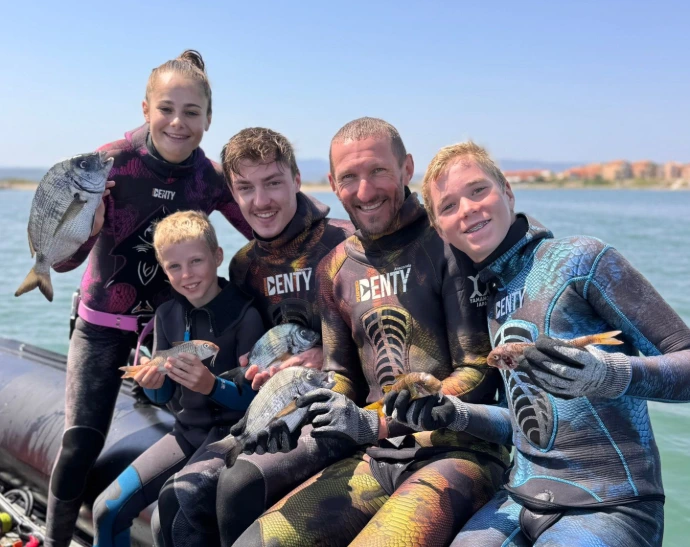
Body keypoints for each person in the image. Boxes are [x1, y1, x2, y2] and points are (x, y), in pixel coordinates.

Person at [387, 141, 690, 546]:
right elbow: (525, 425)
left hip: (611, 506)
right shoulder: (491, 298)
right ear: (441, 229)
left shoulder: (582, 259)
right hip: (517, 499)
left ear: (507, 192)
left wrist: (607, 374)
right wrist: (454, 413)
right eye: (449, 206)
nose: (468, 209)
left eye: (478, 190)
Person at [234, 118, 510, 547]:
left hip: (460, 451)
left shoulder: (448, 244)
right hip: (374, 453)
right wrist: (296, 414)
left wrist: (375, 420)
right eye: (349, 178)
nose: (364, 192)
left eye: (378, 171)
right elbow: (340, 376)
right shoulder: (335, 267)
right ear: (332, 184)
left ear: (406, 168)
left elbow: (479, 371)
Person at [44, 50, 252, 547]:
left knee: (183, 423)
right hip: (102, 329)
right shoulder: (109, 162)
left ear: (208, 119)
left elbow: (265, 227)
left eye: (192, 112)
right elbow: (62, 263)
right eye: (166, 109)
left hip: (170, 333)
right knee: (79, 444)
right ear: (145, 109)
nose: (178, 122)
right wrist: (86, 232)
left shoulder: (210, 178)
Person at [164, 128, 355, 546]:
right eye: (245, 188)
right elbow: (247, 359)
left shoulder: (347, 243)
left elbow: (388, 343)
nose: (261, 200)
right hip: (273, 406)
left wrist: (326, 354)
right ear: (233, 194)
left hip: (341, 408)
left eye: (272, 182)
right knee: (176, 505)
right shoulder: (243, 266)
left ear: (297, 179)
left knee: (238, 487)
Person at [91, 211, 262, 547]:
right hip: (186, 434)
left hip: (234, 437)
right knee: (106, 509)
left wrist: (212, 386)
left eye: (196, 261)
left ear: (217, 256)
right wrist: (152, 385)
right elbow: (164, 396)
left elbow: (257, 398)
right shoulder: (167, 314)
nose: (187, 275)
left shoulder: (247, 316)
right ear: (163, 269)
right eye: (174, 267)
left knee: (166, 519)